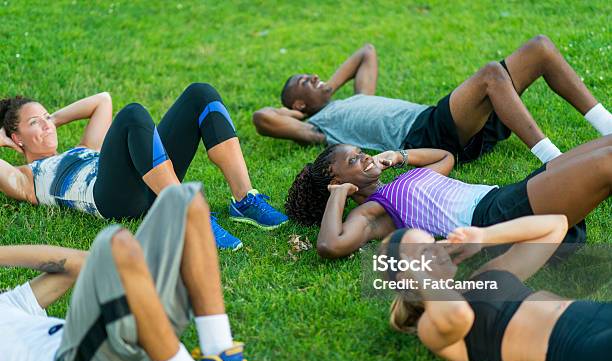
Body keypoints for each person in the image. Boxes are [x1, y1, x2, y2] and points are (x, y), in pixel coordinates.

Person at [0, 183, 289, 361]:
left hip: (135, 346)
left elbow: (78, 264)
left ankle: (221, 354)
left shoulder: (7, 303)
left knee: (186, 200)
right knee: (116, 245)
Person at [0, 83, 288, 251]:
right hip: (110, 198)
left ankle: (245, 199)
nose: (46, 125)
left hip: (147, 178)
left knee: (201, 94)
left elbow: (103, 100)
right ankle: (186, 213)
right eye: (34, 123)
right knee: (133, 115)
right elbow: (106, 105)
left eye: (46, 117)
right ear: (16, 138)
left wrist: (51, 120)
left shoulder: (84, 148)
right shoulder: (26, 178)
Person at [253, 37, 612, 164]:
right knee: (490, 74)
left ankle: (607, 125)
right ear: (299, 106)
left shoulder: (359, 98)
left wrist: (328, 86)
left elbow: (366, 52)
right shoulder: (321, 127)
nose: (315, 77)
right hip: (426, 135)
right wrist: (298, 113)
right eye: (307, 82)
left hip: (449, 122)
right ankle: (554, 161)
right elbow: (261, 117)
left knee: (540, 48)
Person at [381, 215, 612, 361]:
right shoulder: (429, 327)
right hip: (575, 349)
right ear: (409, 278)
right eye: (426, 251)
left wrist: (484, 235)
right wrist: (420, 277)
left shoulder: (484, 277)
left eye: (433, 241)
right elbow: (459, 315)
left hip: (596, 312)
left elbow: (555, 226)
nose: (440, 247)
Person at [285, 135, 612, 259]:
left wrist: (400, 156)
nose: (365, 157)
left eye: (360, 152)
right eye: (354, 160)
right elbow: (330, 245)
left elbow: (445, 158)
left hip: (508, 196)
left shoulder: (400, 180)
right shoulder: (373, 212)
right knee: (606, 162)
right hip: (497, 218)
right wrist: (338, 196)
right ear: (338, 179)